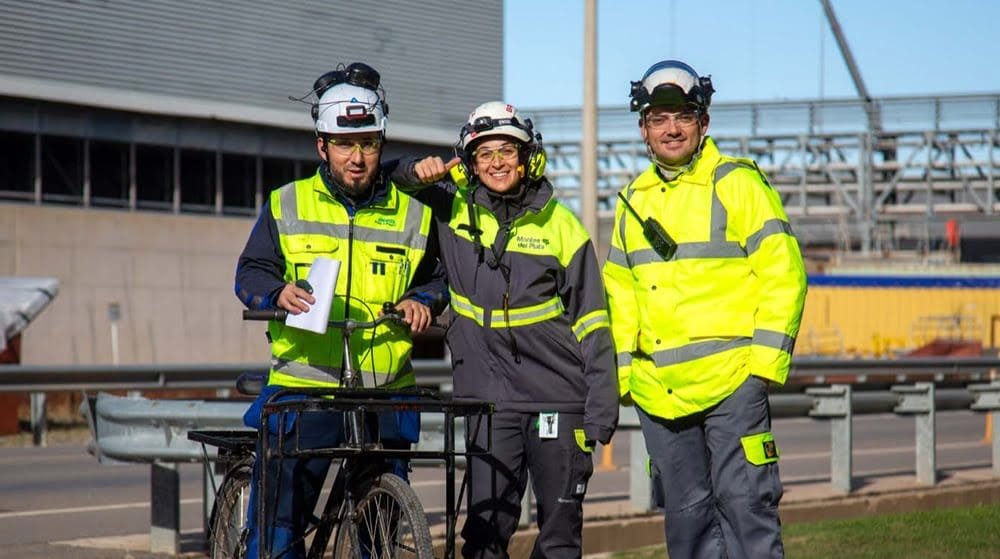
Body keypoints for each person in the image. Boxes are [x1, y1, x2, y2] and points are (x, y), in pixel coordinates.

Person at [233, 62, 446, 558]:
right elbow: (250, 273)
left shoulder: (415, 214)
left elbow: (441, 278)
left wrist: (423, 299)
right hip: (303, 390)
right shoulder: (288, 204)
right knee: (279, 533)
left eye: (368, 144)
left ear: (382, 146)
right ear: (321, 147)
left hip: (385, 392)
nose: (357, 157)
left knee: (378, 536)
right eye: (345, 144)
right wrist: (276, 294)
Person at [391, 101, 618, 558]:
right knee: (485, 534)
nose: (496, 163)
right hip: (488, 402)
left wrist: (602, 408)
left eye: (507, 151)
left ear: (527, 156)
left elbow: (593, 319)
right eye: (485, 153)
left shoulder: (562, 225)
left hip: (558, 399)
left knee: (559, 537)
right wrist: (421, 168)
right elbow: (390, 177)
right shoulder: (451, 208)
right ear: (470, 162)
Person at [602, 60, 808, 559]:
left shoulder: (737, 184)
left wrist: (762, 368)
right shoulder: (633, 201)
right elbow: (621, 295)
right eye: (658, 118)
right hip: (661, 396)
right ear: (644, 130)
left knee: (747, 513)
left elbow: (785, 274)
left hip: (732, 384)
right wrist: (626, 379)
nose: (671, 128)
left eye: (682, 116)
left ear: (703, 122)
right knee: (686, 524)